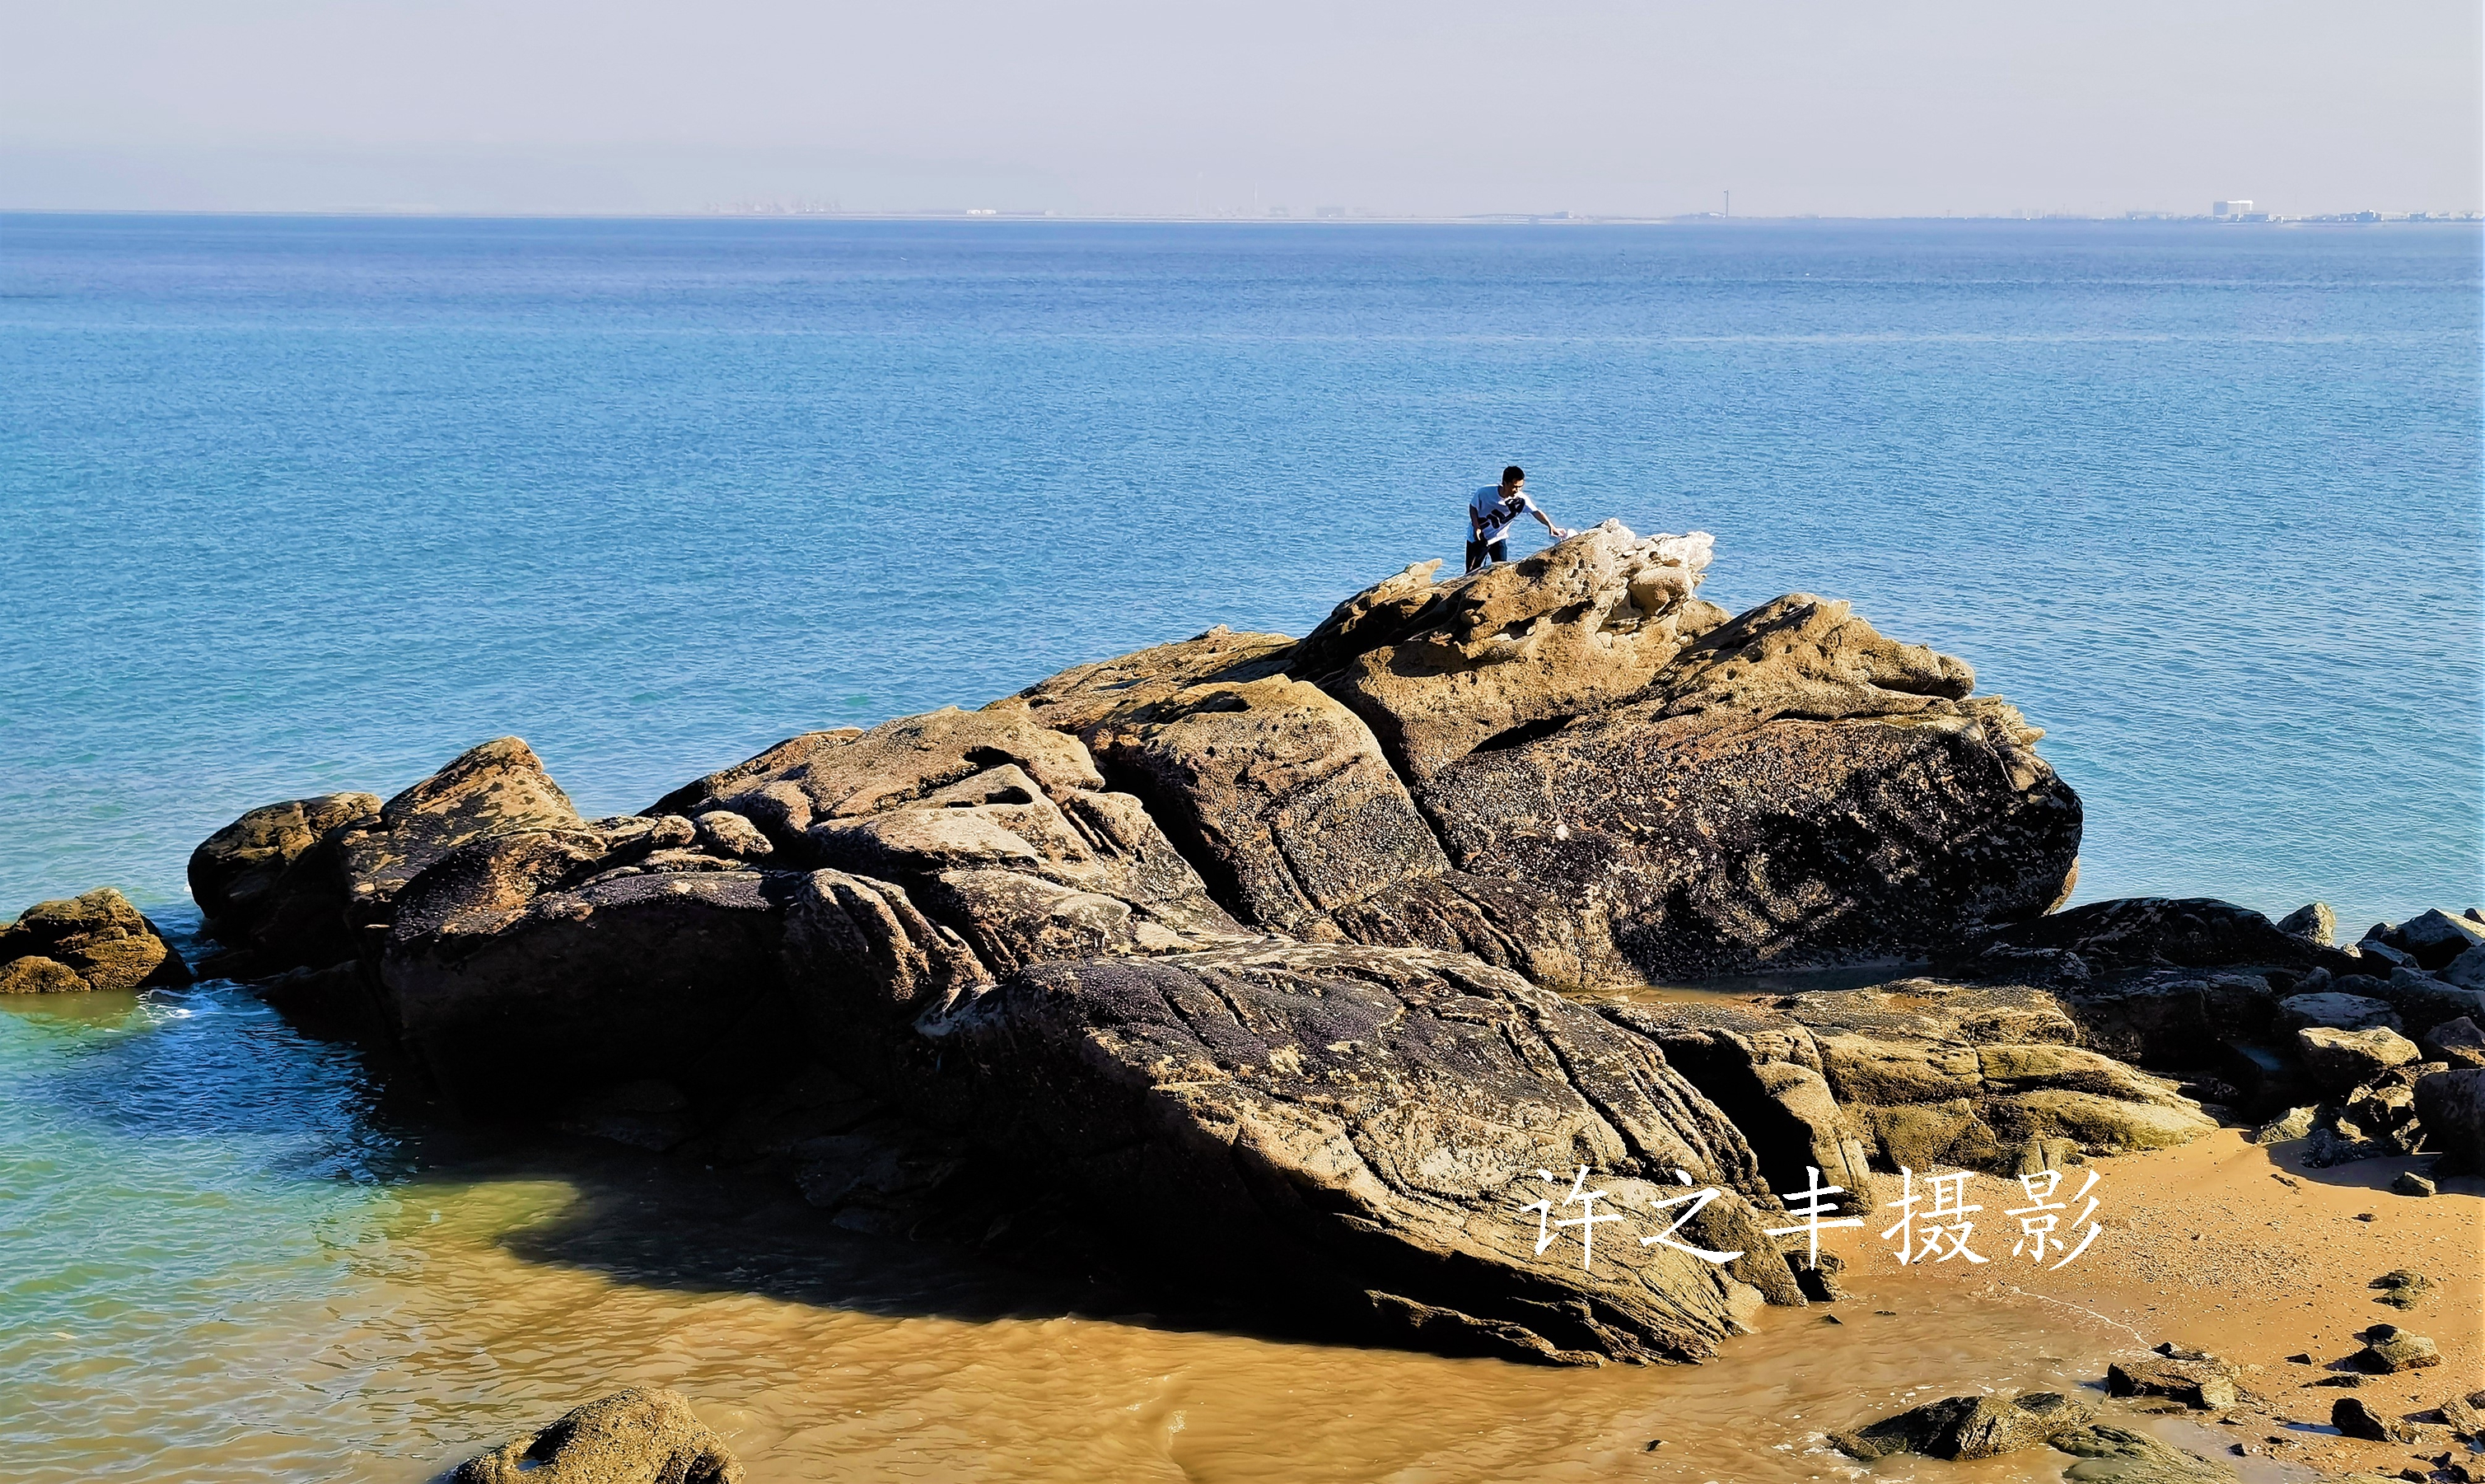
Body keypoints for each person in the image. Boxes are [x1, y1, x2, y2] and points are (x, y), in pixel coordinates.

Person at [1466, 465, 1571, 573]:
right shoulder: (1485, 493)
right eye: (1515, 487)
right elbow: (1473, 506)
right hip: (1478, 537)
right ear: (1505, 483)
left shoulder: (1521, 500)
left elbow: (1536, 512)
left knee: (1500, 570)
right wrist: (1476, 526)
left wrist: (1550, 526)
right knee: (1471, 572)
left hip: (1498, 538)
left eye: (1520, 487)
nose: (1518, 490)